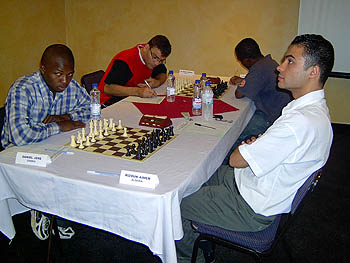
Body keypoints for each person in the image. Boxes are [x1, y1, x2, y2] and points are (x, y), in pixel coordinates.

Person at [176, 34, 334, 263]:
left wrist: (252, 148)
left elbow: (236, 159)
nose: (280, 67)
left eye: (290, 61)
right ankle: (205, 234)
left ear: (313, 72)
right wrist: (260, 145)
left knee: (175, 205)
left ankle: (193, 258)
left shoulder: (299, 123)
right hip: (252, 182)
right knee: (200, 175)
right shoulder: (312, 112)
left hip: (251, 207)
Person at [1, 44, 91, 240]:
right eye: (58, 73)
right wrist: (60, 126)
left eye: (69, 74)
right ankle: (40, 205)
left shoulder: (72, 86)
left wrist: (65, 116)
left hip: (52, 143)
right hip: (18, 154)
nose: (65, 80)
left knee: (83, 157)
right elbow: (21, 136)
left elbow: (91, 109)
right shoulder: (23, 88)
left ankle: (62, 210)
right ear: (43, 69)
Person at [223, 38, 292, 164]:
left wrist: (245, 83)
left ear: (247, 60)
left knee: (233, 137)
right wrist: (245, 81)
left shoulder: (259, 69)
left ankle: (225, 165)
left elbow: (239, 94)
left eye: (241, 61)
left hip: (271, 118)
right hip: (278, 111)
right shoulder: (268, 63)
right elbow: (255, 81)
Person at [98, 35, 172, 107]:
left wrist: (157, 82)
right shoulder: (126, 61)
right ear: (146, 47)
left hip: (130, 99)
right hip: (108, 103)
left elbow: (162, 73)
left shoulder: (153, 57)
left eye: (161, 60)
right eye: (155, 57)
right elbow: (107, 88)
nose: (156, 63)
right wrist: (138, 91)